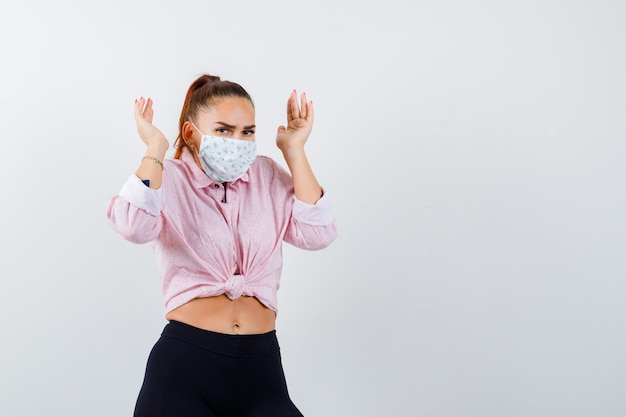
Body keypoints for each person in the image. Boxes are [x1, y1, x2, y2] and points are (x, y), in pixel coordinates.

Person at [106, 74, 338, 417]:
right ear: (190, 134)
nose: (238, 141)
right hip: (184, 369)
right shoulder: (167, 178)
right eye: (224, 130)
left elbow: (318, 233)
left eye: (248, 132)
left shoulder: (267, 175)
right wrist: (155, 147)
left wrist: (294, 150)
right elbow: (132, 225)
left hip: (262, 370)